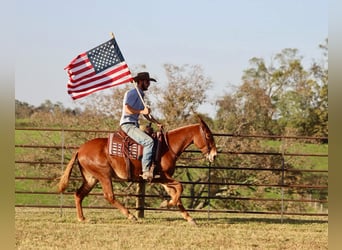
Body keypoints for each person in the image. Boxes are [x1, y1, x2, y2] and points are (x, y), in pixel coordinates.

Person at [119, 72, 160, 181]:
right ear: (140, 81)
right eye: (147, 82)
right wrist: (142, 110)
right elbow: (127, 109)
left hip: (134, 124)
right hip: (128, 124)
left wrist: (156, 122)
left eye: (149, 82)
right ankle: (145, 171)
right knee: (149, 142)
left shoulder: (140, 94)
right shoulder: (133, 93)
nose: (148, 84)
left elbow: (145, 114)